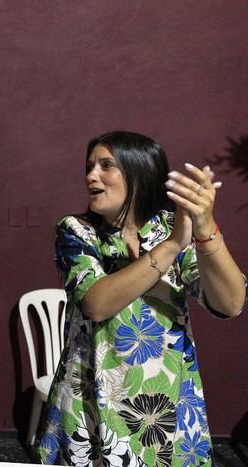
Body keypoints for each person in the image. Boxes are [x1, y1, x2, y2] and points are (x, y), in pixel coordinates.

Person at [38, 131, 246, 466]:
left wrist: (205, 227)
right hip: (91, 403)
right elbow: (97, 303)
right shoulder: (77, 231)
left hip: (167, 406)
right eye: (90, 166)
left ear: (140, 172)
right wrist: (174, 245)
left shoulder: (169, 227)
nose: (91, 175)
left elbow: (231, 302)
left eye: (106, 165)